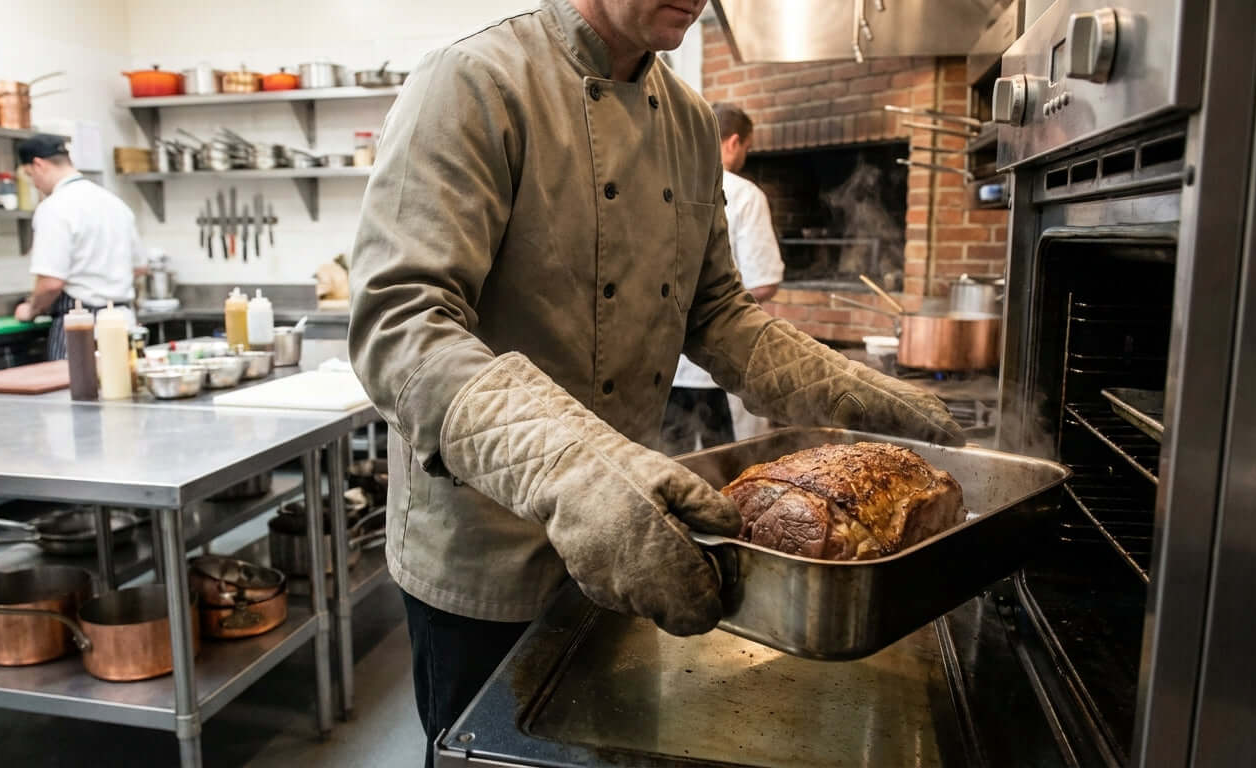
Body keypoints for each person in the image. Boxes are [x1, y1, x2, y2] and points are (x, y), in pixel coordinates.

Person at [347, 0, 962, 762]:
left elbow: (718, 311)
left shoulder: (691, 122)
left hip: (635, 543)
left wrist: (847, 388)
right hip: (489, 559)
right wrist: (576, 473)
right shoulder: (473, 82)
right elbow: (401, 324)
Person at [663, 102, 783, 455]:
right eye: (747, 147)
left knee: (671, 465)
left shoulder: (662, 185)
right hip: (716, 368)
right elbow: (763, 282)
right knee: (729, 470)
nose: (745, 154)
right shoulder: (745, 195)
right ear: (733, 142)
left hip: (663, 365)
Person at [12, 134, 146, 359]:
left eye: (29, 175)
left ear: (38, 165)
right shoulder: (115, 203)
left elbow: (51, 283)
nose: (34, 184)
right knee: (122, 380)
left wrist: (31, 309)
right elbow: (139, 267)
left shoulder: (54, 208)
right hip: (123, 323)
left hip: (81, 328)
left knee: (73, 383)